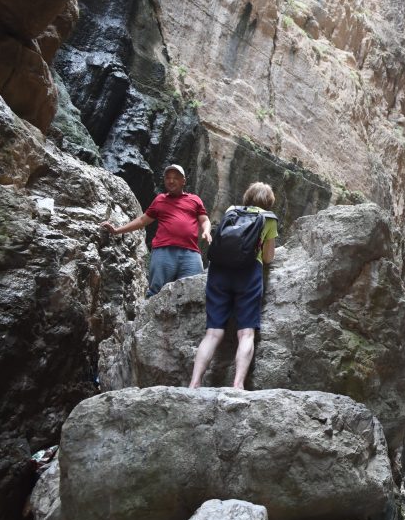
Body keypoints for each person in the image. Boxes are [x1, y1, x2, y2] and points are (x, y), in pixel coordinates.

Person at [188, 182, 278, 390]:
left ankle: (194, 383)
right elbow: (268, 257)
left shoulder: (232, 211)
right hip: (248, 274)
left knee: (213, 332)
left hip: (219, 270)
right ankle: (237, 385)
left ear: (247, 197)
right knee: (246, 333)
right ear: (269, 202)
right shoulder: (269, 219)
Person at [101, 164, 211, 297]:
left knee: (193, 292)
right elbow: (142, 220)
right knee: (156, 292)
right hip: (164, 251)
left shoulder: (194, 200)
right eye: (168, 178)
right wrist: (117, 230)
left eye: (175, 178)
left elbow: (204, 220)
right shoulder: (160, 200)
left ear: (184, 181)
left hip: (191, 252)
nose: (171, 181)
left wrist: (206, 231)